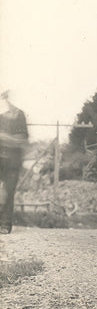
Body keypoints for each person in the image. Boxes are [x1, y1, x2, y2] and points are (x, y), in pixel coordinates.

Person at [0, 91, 28, 234]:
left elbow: (20, 140)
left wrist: (4, 137)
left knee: (8, 192)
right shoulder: (1, 117)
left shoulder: (20, 116)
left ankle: (4, 225)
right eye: (4, 99)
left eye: (9, 99)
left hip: (12, 162)